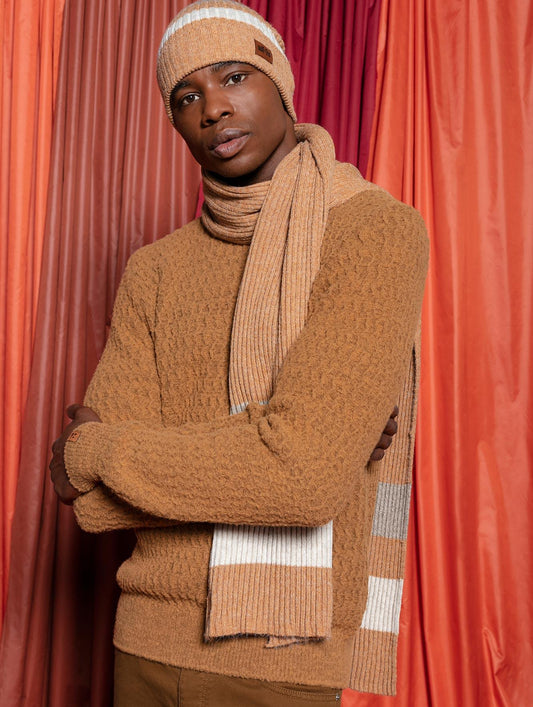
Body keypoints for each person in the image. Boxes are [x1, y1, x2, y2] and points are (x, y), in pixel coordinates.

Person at [50, 1, 429, 704]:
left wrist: (95, 449)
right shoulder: (154, 270)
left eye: (233, 77)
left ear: (279, 81)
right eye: (185, 96)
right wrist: (271, 441)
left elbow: (302, 479)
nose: (213, 108)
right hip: (142, 645)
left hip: (282, 663)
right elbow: (94, 506)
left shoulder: (374, 232)